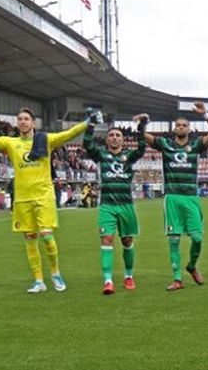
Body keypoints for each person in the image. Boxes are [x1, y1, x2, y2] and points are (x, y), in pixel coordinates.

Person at [0, 108, 90, 293]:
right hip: (23, 199)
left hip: (43, 195)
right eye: (20, 119)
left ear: (33, 123)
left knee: (47, 237)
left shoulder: (46, 140)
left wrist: (87, 123)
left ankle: (55, 273)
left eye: (26, 119)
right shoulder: (11, 143)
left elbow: (68, 134)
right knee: (29, 237)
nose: (23, 122)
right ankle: (38, 281)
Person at [137, 103, 208, 291]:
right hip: (172, 197)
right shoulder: (166, 145)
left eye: (184, 125)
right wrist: (142, 123)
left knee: (197, 238)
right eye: (178, 125)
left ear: (189, 129)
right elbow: (144, 136)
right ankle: (177, 279)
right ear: (174, 128)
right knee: (174, 239)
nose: (181, 127)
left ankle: (191, 266)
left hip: (191, 197)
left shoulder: (196, 145)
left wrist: (206, 115)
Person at [83, 116, 147, 294]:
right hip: (107, 206)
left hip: (126, 205)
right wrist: (92, 125)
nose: (114, 137)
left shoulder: (129, 156)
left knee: (127, 240)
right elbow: (87, 144)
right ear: (107, 139)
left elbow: (142, 148)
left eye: (118, 135)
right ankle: (108, 281)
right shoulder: (101, 155)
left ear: (123, 139)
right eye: (111, 135)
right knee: (107, 240)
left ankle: (128, 276)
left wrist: (141, 127)